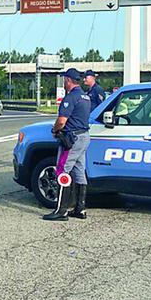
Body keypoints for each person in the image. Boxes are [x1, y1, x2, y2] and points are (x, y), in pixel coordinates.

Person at [43, 68, 92, 221]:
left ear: (69, 80)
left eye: (65, 79)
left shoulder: (70, 98)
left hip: (72, 140)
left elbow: (62, 121)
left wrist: (54, 129)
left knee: (62, 171)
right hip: (84, 137)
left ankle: (61, 211)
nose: (64, 82)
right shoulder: (85, 97)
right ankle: (80, 208)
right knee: (79, 171)